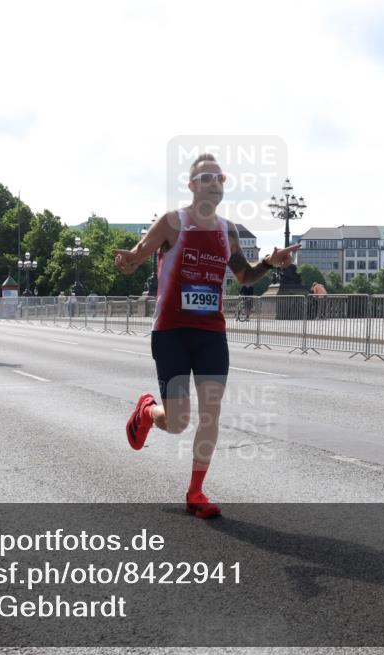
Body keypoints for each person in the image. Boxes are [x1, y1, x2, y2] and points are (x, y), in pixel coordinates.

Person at [113, 152, 300, 519]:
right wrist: (127, 263)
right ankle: (148, 412)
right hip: (171, 332)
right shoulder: (172, 222)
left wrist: (269, 263)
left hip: (211, 334)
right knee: (178, 421)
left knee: (210, 415)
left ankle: (195, 492)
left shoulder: (227, 231)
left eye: (220, 178)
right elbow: (136, 257)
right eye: (206, 177)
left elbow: (244, 276)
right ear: (192, 185)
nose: (215, 183)